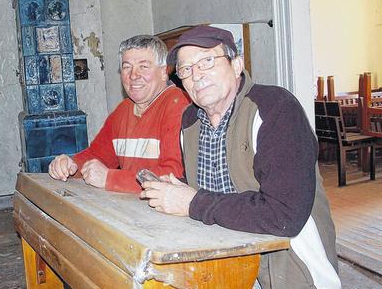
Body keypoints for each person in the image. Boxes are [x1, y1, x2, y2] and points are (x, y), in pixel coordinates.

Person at [140, 26, 340, 288]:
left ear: (236, 65)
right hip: (224, 265)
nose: (196, 75)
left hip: (290, 270)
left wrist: (192, 202)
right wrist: (176, 189)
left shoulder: (276, 109)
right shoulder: (190, 121)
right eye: (186, 70)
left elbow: (284, 217)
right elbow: (206, 193)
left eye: (207, 61)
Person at [48, 35, 190, 193]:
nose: (133, 75)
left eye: (143, 66)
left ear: (164, 72)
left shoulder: (178, 105)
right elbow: (98, 155)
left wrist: (110, 178)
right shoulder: (123, 109)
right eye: (127, 67)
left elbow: (173, 175)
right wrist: (71, 164)